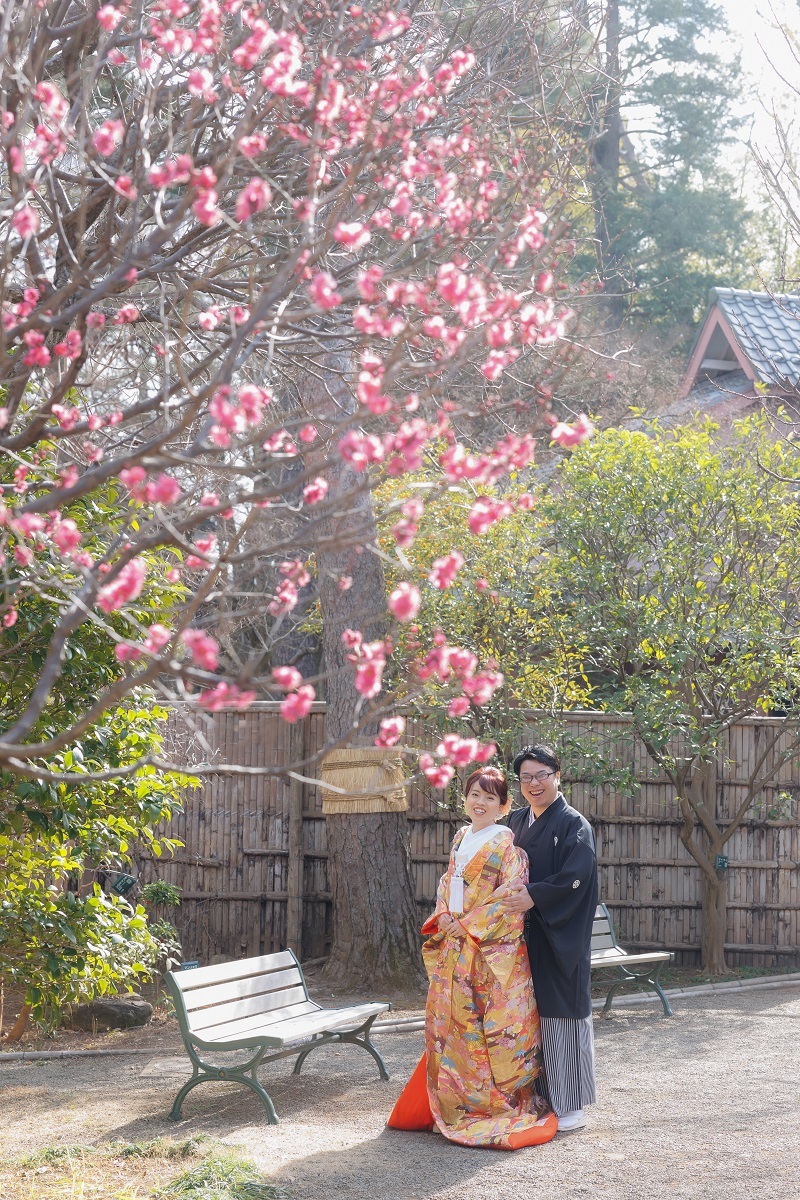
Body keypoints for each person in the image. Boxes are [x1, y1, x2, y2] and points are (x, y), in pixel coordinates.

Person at [387, 766, 557, 1149]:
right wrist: (444, 914)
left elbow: (509, 901)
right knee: (453, 1024)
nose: (480, 803)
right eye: (474, 795)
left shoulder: (511, 850)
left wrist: (466, 926)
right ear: (464, 798)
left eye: (490, 798)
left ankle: (489, 1104)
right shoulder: (462, 836)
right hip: (455, 946)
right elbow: (448, 883)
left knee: (487, 1025)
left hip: (487, 953)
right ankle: (457, 1099)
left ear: (504, 805)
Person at [504, 744, 598, 1134]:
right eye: (526, 777)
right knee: (526, 1018)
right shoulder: (514, 821)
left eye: (542, 775)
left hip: (558, 935)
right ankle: (539, 1098)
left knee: (562, 1016)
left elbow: (576, 877)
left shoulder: (574, 824)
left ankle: (571, 1102)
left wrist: (535, 895)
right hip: (519, 937)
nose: (534, 783)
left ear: (558, 775)